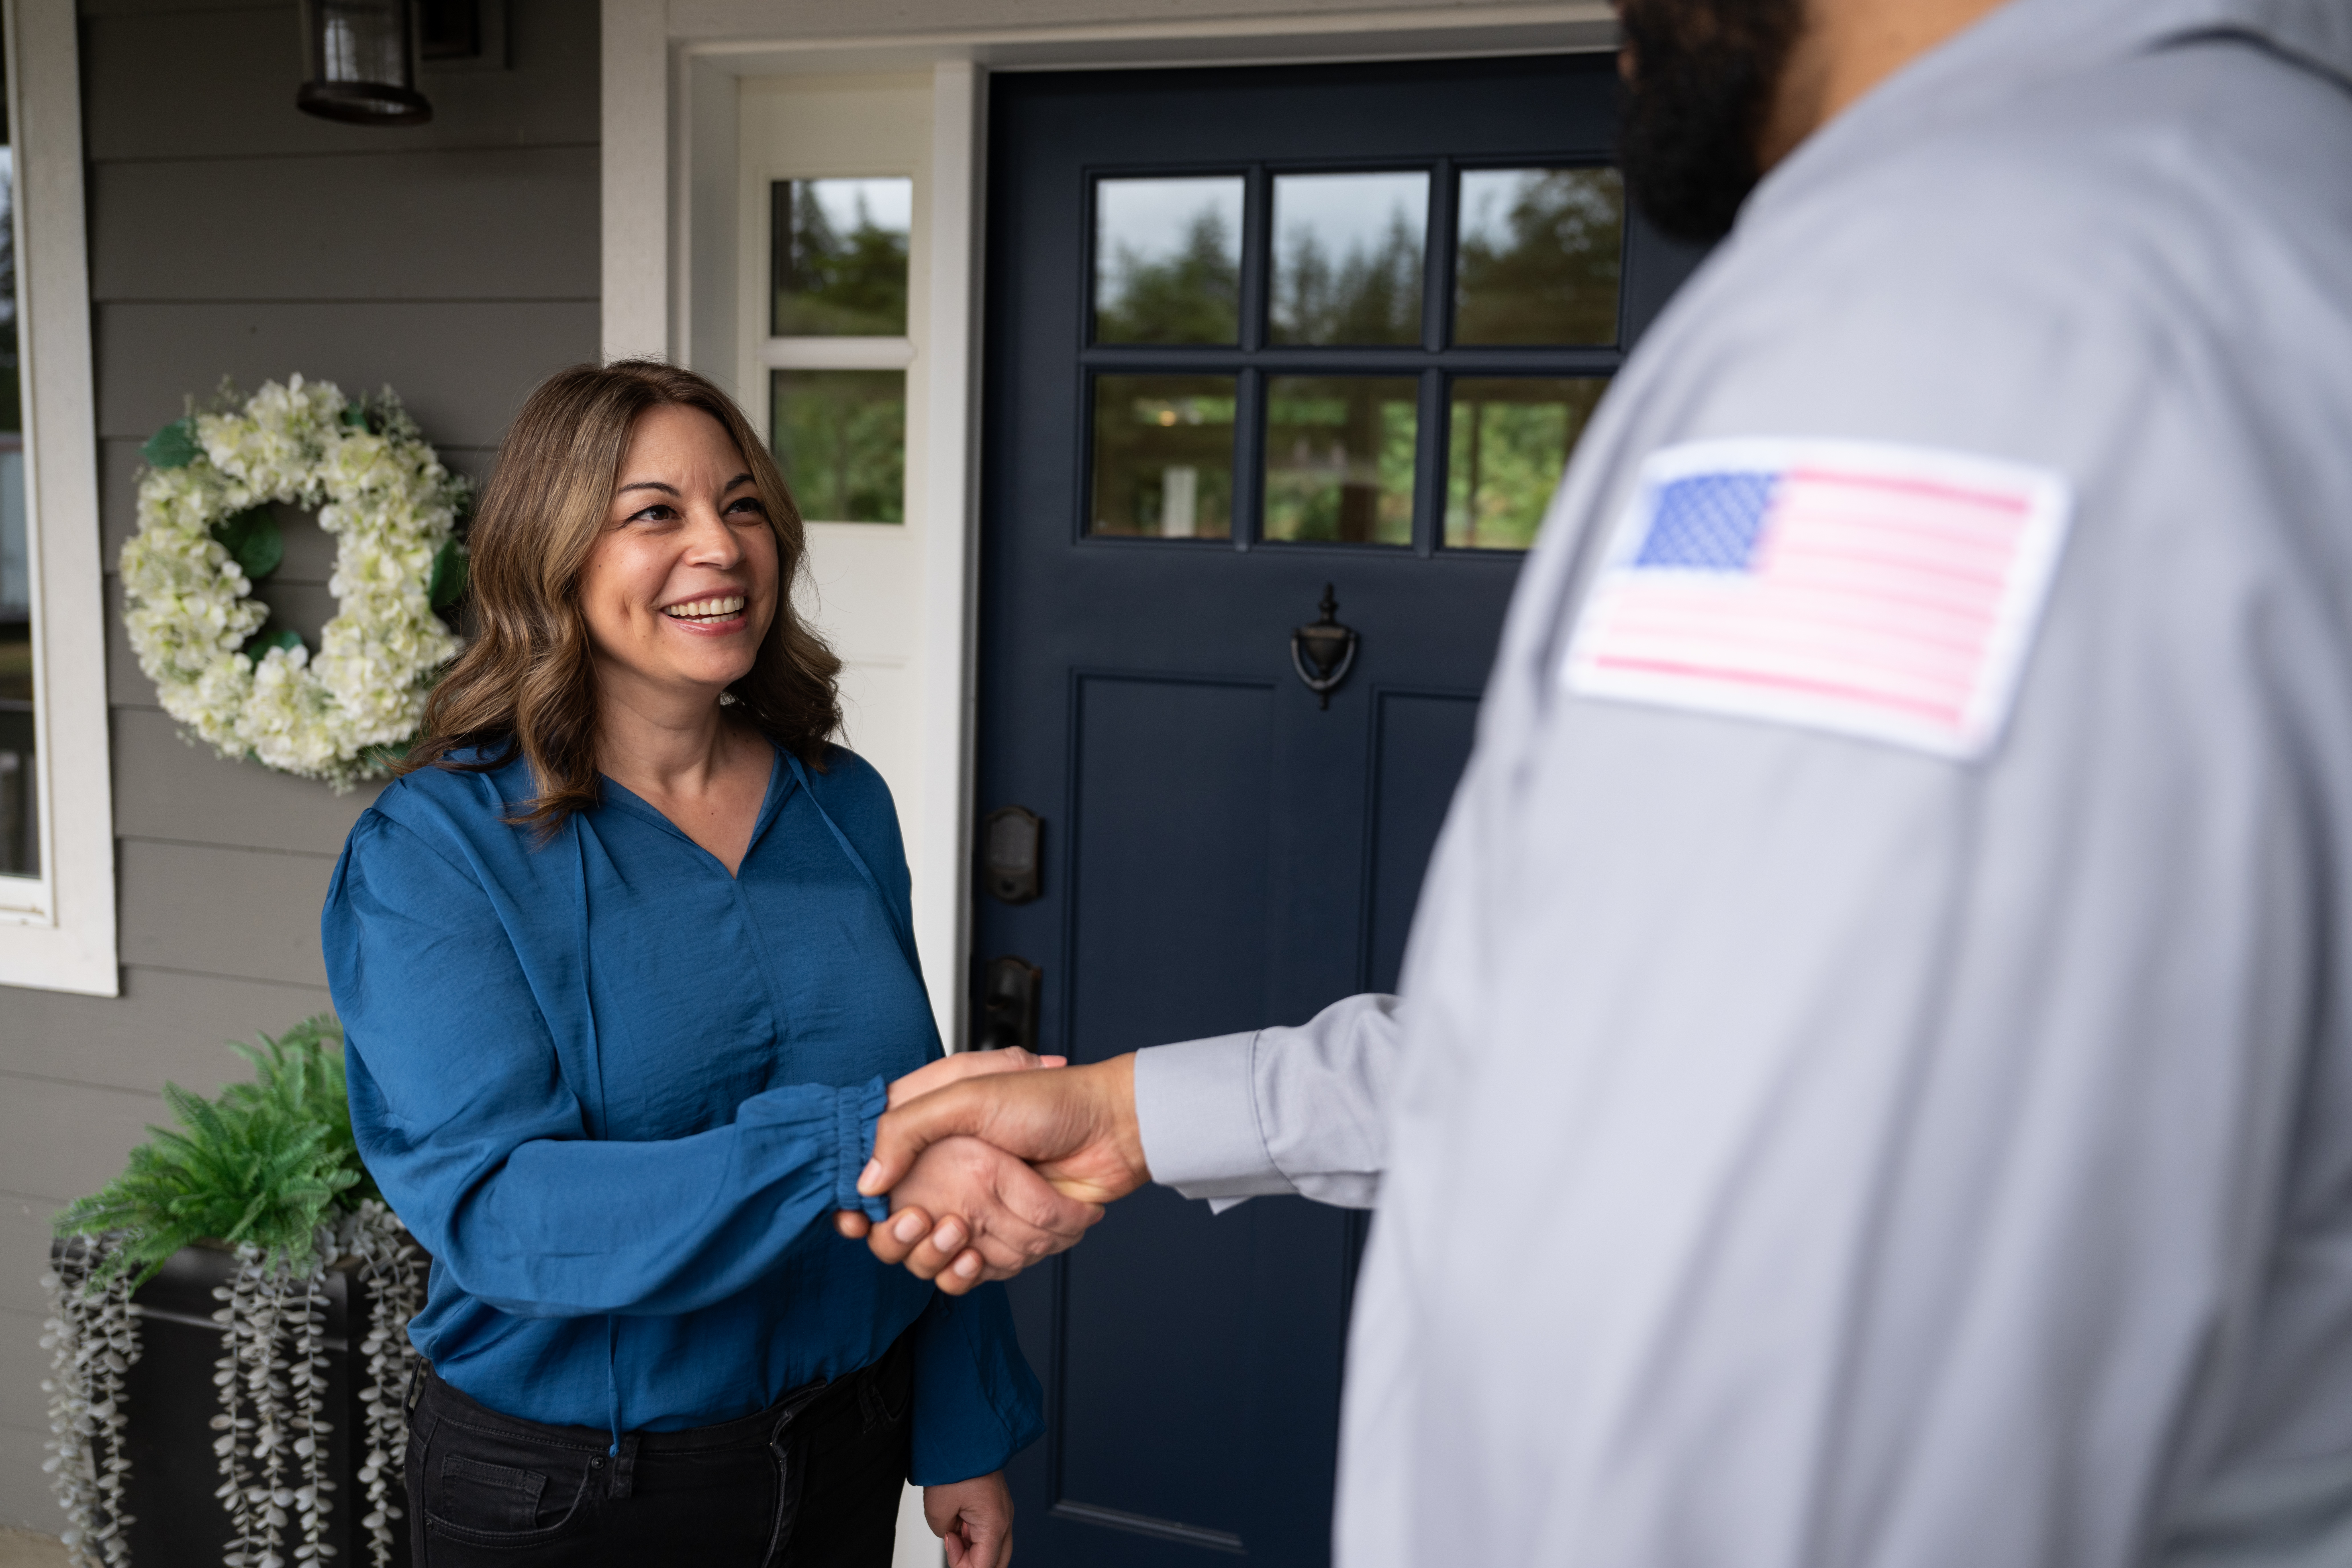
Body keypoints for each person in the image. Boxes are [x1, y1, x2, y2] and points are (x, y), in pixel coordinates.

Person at [840, 0, 2352, 1564]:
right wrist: (1131, 1112)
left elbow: (1784, 1312)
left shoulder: (1955, 326)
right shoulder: (2230, 218)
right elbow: (1647, 1046)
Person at [322, 361, 1099, 1568]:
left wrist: (962, 1422)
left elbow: (927, 1117)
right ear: (553, 554)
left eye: (743, 506)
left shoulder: (843, 803)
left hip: (845, 1448)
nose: (721, 547)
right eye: (655, 513)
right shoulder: (437, 851)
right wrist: (854, 1144)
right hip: (575, 1493)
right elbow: (503, 1214)